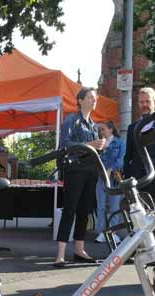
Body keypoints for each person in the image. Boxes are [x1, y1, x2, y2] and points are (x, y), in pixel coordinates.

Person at [54, 87, 105, 267]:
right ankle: (60, 253)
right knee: (70, 210)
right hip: (75, 170)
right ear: (80, 100)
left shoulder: (93, 124)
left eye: (95, 98)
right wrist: (89, 144)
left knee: (84, 211)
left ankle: (79, 249)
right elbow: (64, 145)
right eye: (90, 97)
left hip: (90, 170)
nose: (94, 100)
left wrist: (99, 146)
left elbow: (93, 149)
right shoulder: (71, 120)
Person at [94, 120, 125, 245]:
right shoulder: (99, 143)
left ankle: (113, 232)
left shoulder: (120, 142)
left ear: (111, 129)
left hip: (114, 177)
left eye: (103, 129)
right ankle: (102, 232)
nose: (101, 131)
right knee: (100, 205)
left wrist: (110, 169)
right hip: (101, 176)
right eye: (100, 130)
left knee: (114, 206)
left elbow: (121, 159)